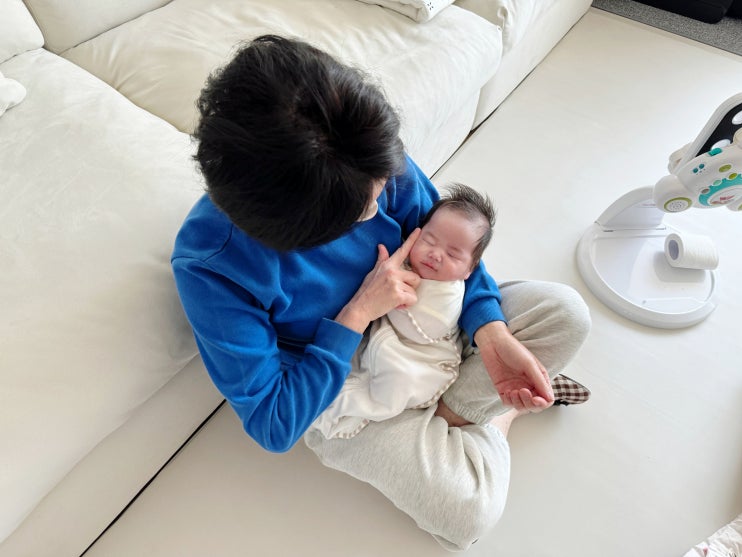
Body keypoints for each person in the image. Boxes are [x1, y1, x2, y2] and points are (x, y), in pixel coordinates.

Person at [171, 34, 591, 551]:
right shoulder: (212, 266)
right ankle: (498, 414)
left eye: (382, 187)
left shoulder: (363, 155)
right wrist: (357, 313)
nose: (381, 206)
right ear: (299, 234)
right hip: (344, 382)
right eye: (361, 211)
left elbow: (455, 250)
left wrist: (490, 332)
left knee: (565, 314)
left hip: (428, 318)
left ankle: (453, 416)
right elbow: (274, 423)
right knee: (468, 513)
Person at [312, 183, 497, 439]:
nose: (435, 254)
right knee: (357, 364)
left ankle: (364, 409)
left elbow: (429, 326)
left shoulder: (448, 292)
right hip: (385, 341)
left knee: (397, 380)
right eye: (429, 241)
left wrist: (391, 303)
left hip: (421, 357)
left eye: (453, 255)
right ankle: (334, 404)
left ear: (469, 270)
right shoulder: (408, 261)